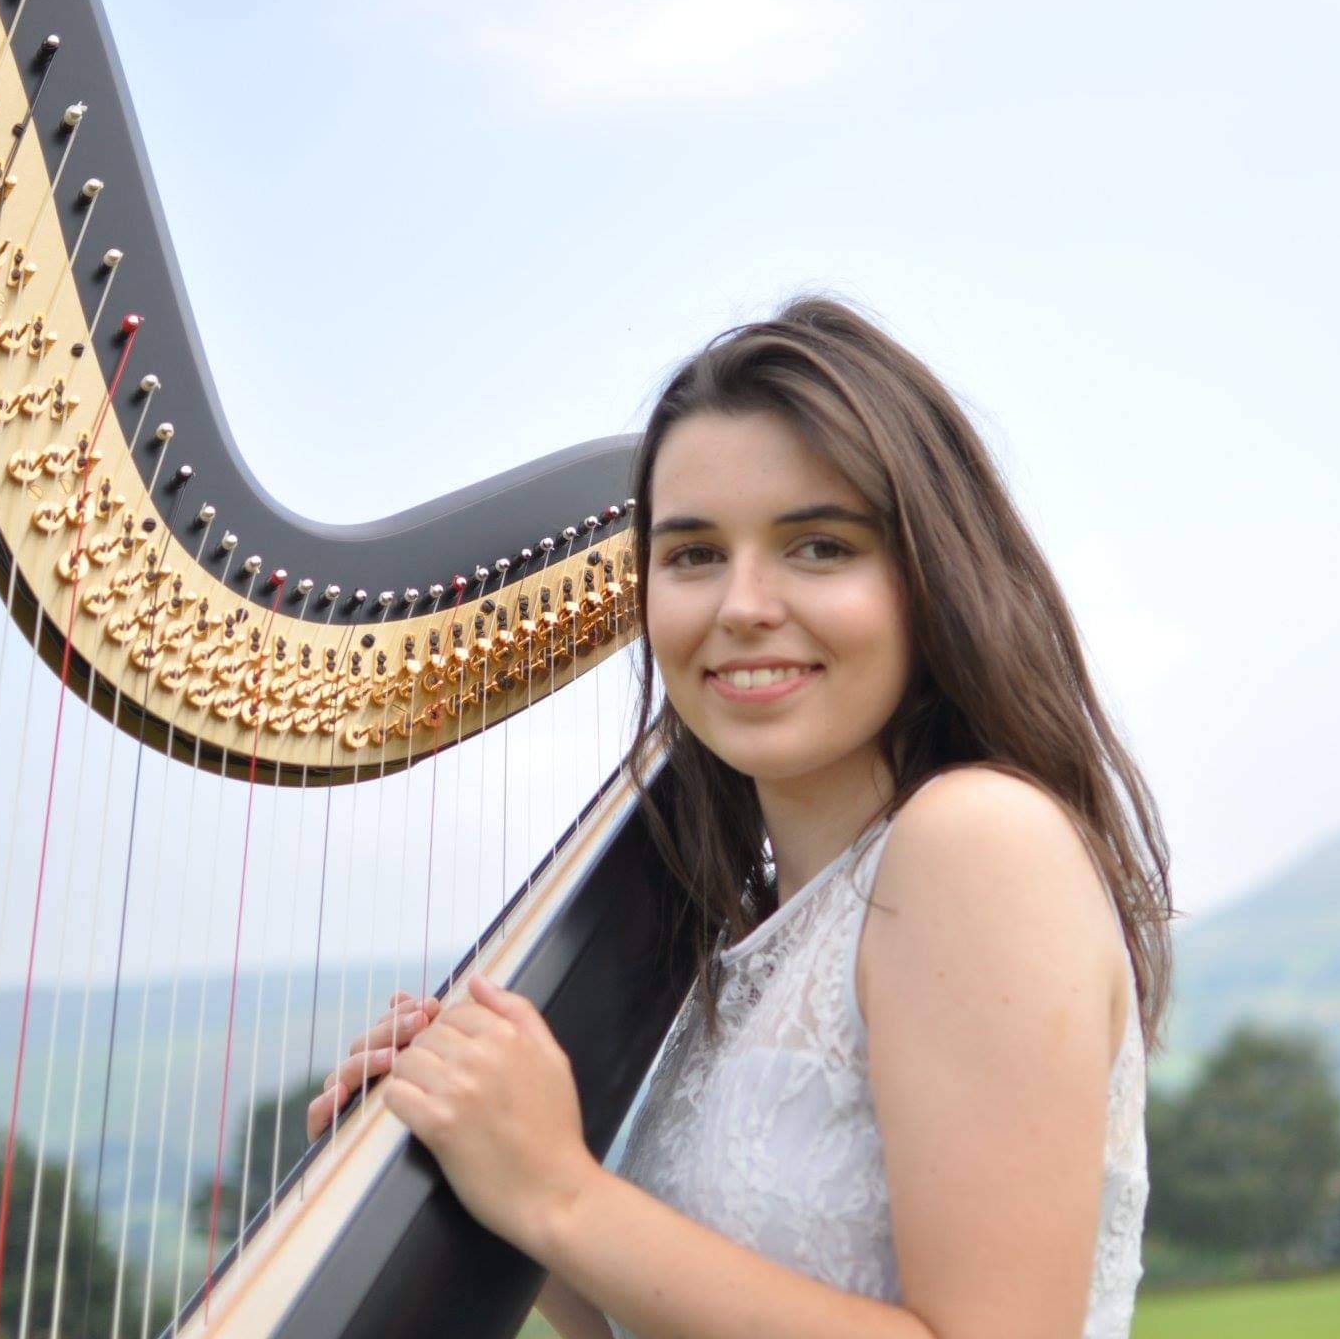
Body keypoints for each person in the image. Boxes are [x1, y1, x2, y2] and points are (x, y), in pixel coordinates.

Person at [306, 297, 1173, 1338]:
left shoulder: (973, 838)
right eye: (693, 554)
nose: (741, 603)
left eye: (816, 546)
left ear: (930, 575)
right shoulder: (746, 930)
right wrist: (474, 1168)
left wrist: (556, 1189)